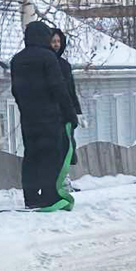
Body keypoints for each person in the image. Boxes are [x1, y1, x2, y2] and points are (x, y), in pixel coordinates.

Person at [10, 20, 78, 211]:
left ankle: (31, 198)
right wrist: (70, 114)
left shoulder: (16, 60)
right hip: (50, 117)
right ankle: (49, 197)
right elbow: (58, 88)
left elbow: (16, 90)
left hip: (28, 119)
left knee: (31, 156)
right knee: (51, 157)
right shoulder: (48, 58)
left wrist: (26, 108)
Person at [50, 28, 84, 167]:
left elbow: (71, 90)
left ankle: (64, 178)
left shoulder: (65, 65)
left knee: (67, 147)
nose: (56, 44)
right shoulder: (45, 64)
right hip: (52, 115)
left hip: (66, 115)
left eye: (58, 41)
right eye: (53, 41)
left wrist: (77, 111)